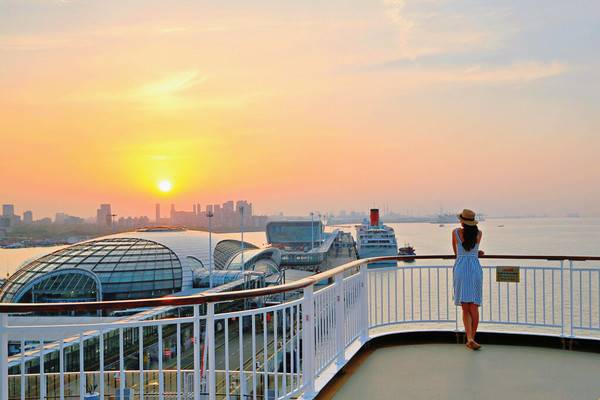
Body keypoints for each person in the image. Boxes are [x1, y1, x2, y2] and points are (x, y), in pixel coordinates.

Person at [452, 209, 484, 350]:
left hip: (461, 268)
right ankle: (472, 338)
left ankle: (469, 338)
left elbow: (457, 252)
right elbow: (473, 249)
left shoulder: (455, 233)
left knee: (465, 307)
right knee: (474, 306)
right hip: (475, 269)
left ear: (462, 221)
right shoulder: (479, 234)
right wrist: (477, 253)